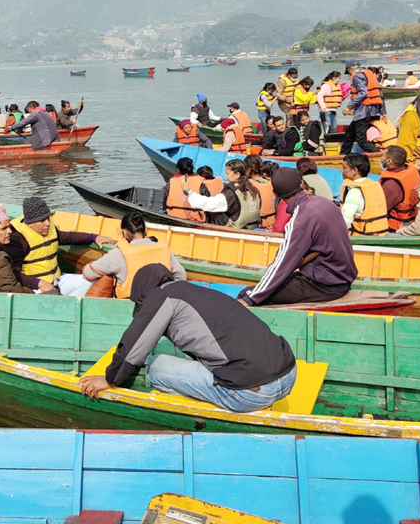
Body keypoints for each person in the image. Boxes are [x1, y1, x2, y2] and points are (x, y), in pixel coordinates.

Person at [78, 264, 298, 412]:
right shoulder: (192, 290)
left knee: (155, 366)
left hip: (250, 394)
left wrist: (110, 379)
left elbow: (134, 347)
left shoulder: (160, 297)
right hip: (288, 376)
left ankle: (194, 410)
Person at [238, 168, 358, 305]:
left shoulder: (299, 221)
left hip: (325, 285)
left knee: (246, 293)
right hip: (342, 278)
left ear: (276, 194)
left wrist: (250, 298)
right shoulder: (326, 203)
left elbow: (282, 263)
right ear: (301, 184)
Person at [5, 196, 115, 296]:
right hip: (35, 287)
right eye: (42, 220)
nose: (47, 223)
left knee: (89, 281)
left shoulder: (49, 229)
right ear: (30, 223)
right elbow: (13, 274)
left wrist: (94, 237)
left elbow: (68, 237)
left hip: (57, 279)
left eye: (48, 218)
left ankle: (72, 307)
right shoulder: (17, 239)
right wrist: (37, 283)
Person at [82, 212, 187, 297]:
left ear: (124, 232)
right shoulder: (164, 249)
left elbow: (88, 273)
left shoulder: (118, 254)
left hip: (130, 307)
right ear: (145, 230)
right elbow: (181, 276)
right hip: (160, 303)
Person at [182, 158, 261, 229]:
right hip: (248, 229)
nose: (225, 176)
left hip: (229, 232)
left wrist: (188, 191)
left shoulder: (230, 195)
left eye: (227, 173)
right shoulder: (253, 190)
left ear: (237, 175)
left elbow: (209, 204)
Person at [339, 62, 383, 154]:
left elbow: (363, 93)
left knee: (361, 140)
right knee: (349, 135)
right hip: (371, 111)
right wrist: (383, 112)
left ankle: (379, 155)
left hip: (363, 112)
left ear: (350, 69)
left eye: (348, 72)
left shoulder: (357, 76)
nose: (349, 75)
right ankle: (343, 156)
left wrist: (348, 107)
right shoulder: (367, 74)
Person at [340, 153, 388, 236]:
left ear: (355, 171)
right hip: (380, 234)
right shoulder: (375, 185)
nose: (341, 170)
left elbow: (345, 221)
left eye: (344, 168)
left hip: (361, 239)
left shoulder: (355, 192)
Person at [379, 146, 420, 232]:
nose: (381, 158)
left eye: (383, 155)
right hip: (413, 218)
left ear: (389, 161)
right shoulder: (412, 169)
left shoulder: (391, 185)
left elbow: (380, 209)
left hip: (396, 226)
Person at [246, 155, 278, 228]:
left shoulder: (250, 186)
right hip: (274, 220)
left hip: (261, 224)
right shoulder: (271, 181)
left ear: (248, 170)